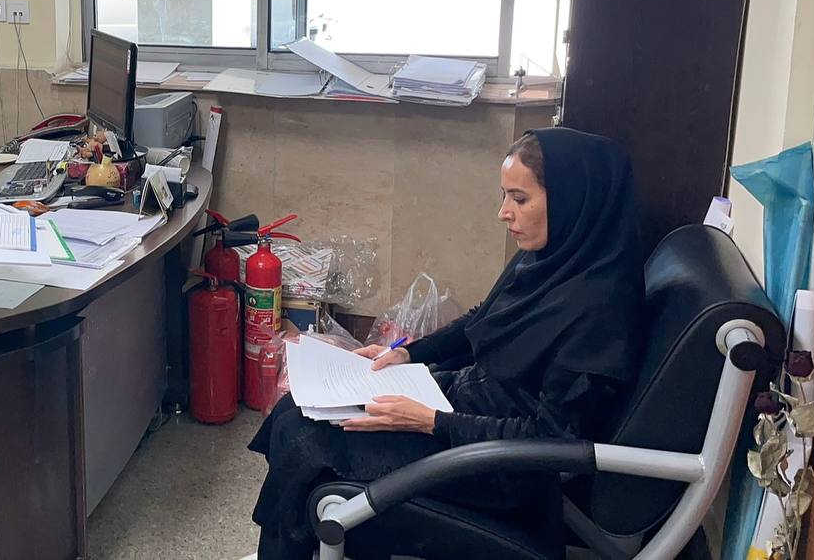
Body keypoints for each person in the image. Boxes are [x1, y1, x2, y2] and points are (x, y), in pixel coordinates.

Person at [249, 127, 645, 559]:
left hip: (498, 464)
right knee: (294, 410)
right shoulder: (551, 260)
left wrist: (429, 421)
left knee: (306, 440)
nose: (503, 213)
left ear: (571, 201)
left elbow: (552, 441)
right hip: (465, 411)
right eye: (505, 196)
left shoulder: (600, 311)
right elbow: (482, 320)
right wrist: (407, 352)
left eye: (520, 199)